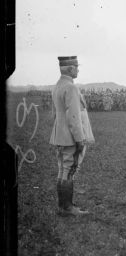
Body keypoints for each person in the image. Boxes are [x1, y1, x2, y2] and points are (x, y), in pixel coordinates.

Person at [49, 56, 95, 216]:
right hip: (70, 137)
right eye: (76, 66)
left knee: (63, 170)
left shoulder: (57, 86)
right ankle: (68, 208)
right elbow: (73, 116)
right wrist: (79, 139)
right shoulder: (71, 87)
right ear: (69, 69)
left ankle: (64, 206)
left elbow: (55, 114)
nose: (78, 69)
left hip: (59, 137)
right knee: (70, 171)